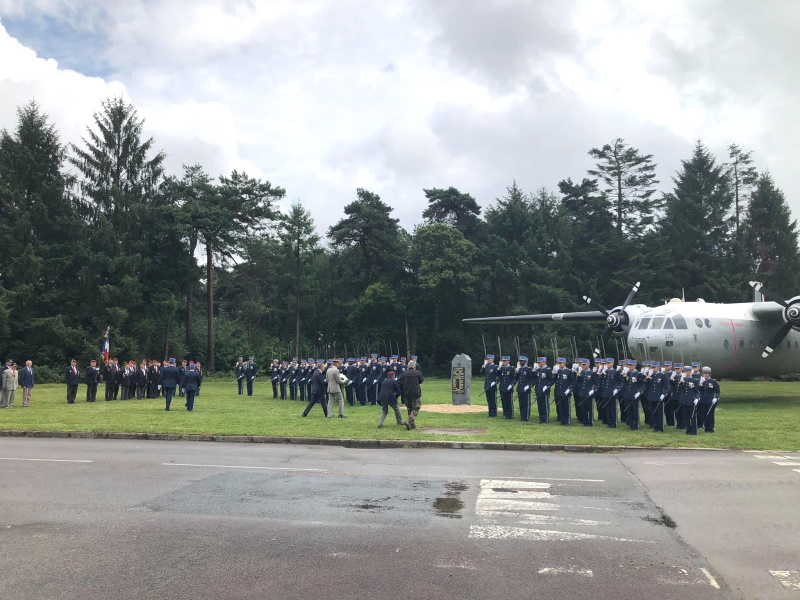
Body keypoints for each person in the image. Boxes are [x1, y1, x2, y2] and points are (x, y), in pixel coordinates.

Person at [399, 360, 424, 430]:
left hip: (406, 393)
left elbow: (400, 381)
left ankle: (411, 425)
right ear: (414, 366)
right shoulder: (417, 373)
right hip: (415, 393)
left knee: (409, 408)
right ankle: (409, 421)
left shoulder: (404, 373)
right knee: (416, 407)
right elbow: (421, 380)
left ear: (408, 366)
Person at [678, 365, 699, 435]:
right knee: (685, 416)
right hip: (684, 400)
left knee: (692, 416)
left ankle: (694, 431)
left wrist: (696, 398)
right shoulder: (683, 380)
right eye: (685, 371)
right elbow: (680, 388)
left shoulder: (694, 380)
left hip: (691, 400)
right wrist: (681, 381)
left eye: (687, 371)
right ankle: (688, 430)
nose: (686, 373)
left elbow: (697, 391)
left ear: (690, 372)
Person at [553, 357, 576, 426]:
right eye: (559, 363)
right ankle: (562, 421)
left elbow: (573, 382)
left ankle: (567, 421)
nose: (560, 364)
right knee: (560, 407)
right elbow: (555, 380)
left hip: (566, 392)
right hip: (559, 392)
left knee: (566, 407)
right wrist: (554, 373)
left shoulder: (569, 371)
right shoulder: (558, 371)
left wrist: (569, 389)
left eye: (561, 363)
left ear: (564, 363)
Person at [698, 366, 720, 433]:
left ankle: (710, 428)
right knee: (703, 415)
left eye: (706, 373)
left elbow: (717, 392)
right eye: (703, 373)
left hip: (710, 401)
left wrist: (716, 398)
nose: (704, 375)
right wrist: (700, 383)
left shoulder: (713, 382)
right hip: (702, 401)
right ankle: (705, 427)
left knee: (710, 415)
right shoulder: (701, 381)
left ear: (709, 374)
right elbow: (698, 390)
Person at [575, 359, 596, 426]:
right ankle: (585, 421)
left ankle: (590, 421)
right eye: (582, 364)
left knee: (589, 408)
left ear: (588, 365)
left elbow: (596, 383)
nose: (583, 366)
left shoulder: (592, 373)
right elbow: (578, 381)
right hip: (582, 392)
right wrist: (578, 374)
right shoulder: (581, 372)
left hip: (589, 393)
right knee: (583, 408)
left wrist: (593, 390)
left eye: (584, 364)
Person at [515, 356, 534, 422]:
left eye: (522, 361)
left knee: (526, 403)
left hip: (526, 388)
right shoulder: (520, 369)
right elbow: (517, 378)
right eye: (520, 361)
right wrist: (516, 371)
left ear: (526, 362)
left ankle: (526, 417)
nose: (521, 362)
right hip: (520, 388)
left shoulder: (529, 369)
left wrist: (528, 386)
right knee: (521, 403)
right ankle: (522, 416)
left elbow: (532, 379)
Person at [534, 357, 553, 423]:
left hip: (545, 390)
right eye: (538, 362)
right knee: (540, 404)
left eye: (540, 362)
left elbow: (551, 380)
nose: (539, 363)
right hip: (538, 389)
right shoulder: (538, 370)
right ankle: (541, 418)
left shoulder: (548, 370)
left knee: (545, 404)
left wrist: (547, 386)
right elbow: (536, 379)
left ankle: (546, 418)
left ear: (544, 362)